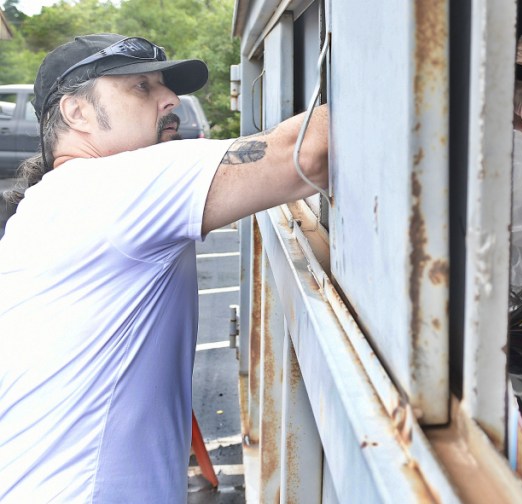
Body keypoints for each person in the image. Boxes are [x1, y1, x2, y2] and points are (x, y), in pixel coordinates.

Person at [0, 33, 328, 502]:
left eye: (163, 86)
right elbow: (308, 152)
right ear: (77, 113)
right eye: (141, 88)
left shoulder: (55, 202)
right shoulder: (109, 188)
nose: (170, 98)